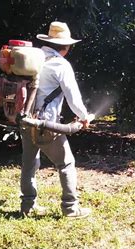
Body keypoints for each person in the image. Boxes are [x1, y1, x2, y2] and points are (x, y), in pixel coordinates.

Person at [19, 21, 94, 218]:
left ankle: (28, 206)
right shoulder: (61, 65)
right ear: (66, 47)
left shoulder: (31, 59)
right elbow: (74, 99)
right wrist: (85, 117)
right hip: (46, 124)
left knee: (29, 164)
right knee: (66, 163)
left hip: (25, 120)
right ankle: (70, 208)